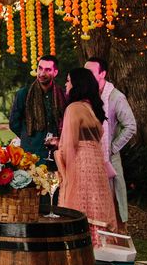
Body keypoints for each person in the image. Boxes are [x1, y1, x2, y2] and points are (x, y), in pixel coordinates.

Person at [56, 67, 117, 246]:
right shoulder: (92, 108)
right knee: (95, 204)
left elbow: (70, 145)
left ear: (76, 84)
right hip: (96, 167)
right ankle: (100, 246)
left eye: (68, 80)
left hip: (81, 164)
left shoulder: (74, 108)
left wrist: (58, 155)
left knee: (80, 206)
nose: (66, 84)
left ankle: (80, 249)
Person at [85, 56, 137, 231]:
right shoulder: (87, 97)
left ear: (103, 74)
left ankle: (117, 242)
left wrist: (112, 148)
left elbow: (130, 126)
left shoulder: (115, 97)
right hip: (89, 158)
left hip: (108, 158)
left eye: (91, 72)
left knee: (114, 202)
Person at [9, 54, 67, 168]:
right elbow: (14, 123)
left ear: (55, 72)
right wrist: (29, 136)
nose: (42, 73)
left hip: (56, 155)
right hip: (31, 155)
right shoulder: (24, 94)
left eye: (47, 69)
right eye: (40, 68)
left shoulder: (63, 95)